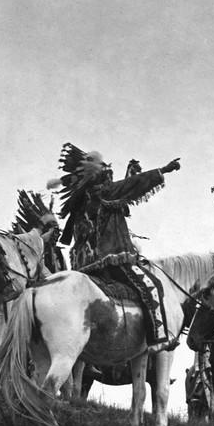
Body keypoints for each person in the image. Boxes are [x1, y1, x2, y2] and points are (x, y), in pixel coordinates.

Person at [52, 143, 180, 345]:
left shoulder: (83, 200)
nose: (107, 170)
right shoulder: (106, 192)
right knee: (151, 286)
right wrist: (163, 170)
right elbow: (134, 185)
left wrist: (129, 176)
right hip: (111, 260)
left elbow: (127, 186)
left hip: (83, 267)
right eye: (104, 167)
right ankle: (158, 340)